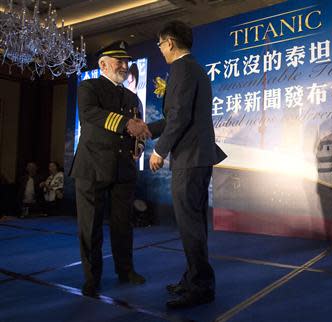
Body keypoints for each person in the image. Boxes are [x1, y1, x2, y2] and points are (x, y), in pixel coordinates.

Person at [147, 21, 227, 309]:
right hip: (197, 156)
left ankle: (201, 287)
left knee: (190, 225)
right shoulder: (192, 68)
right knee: (193, 223)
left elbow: (179, 116)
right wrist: (149, 129)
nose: (159, 49)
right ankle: (193, 278)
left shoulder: (182, 69)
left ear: (169, 42)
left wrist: (159, 150)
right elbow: (179, 116)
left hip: (190, 158)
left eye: (159, 44)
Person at [69, 40, 150, 297]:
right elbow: (90, 114)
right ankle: (92, 277)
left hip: (123, 168)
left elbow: (138, 128)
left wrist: (139, 144)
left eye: (126, 62)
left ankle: (125, 270)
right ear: (103, 64)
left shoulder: (132, 97)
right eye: (119, 61)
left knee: (122, 224)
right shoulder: (88, 87)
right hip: (92, 166)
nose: (125, 66)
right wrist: (128, 124)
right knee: (90, 226)